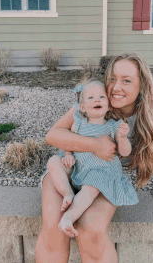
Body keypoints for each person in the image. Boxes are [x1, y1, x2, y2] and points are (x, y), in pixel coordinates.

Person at [36, 52, 153, 263]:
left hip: (103, 177)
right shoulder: (92, 100)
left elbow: (151, 157)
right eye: (112, 79)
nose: (116, 87)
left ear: (142, 86)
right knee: (54, 224)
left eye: (126, 81)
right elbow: (52, 136)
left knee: (90, 229)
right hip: (68, 169)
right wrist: (94, 145)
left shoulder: (142, 122)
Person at [46, 80, 139, 239]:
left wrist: (122, 138)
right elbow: (68, 140)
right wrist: (68, 154)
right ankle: (68, 193)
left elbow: (125, 151)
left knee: (92, 187)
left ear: (109, 105)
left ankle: (68, 218)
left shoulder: (113, 126)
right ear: (82, 107)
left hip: (99, 170)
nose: (97, 100)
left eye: (102, 97)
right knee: (53, 161)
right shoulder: (78, 123)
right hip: (78, 165)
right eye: (91, 98)